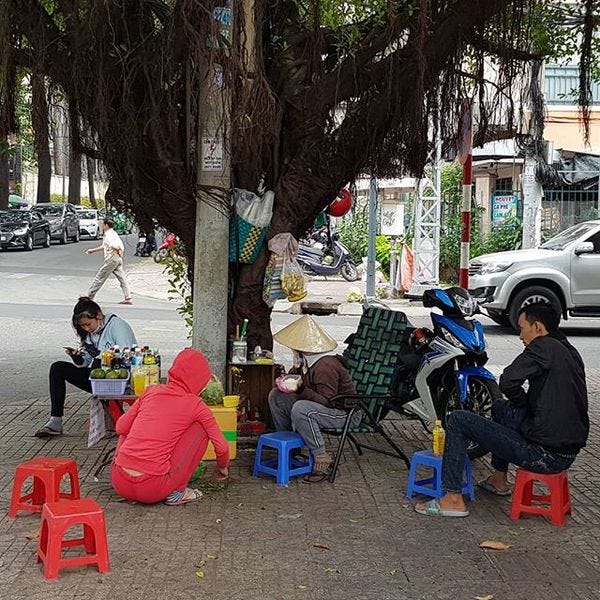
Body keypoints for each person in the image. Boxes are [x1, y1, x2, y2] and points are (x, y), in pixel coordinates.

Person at [415, 302, 589, 517]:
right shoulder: (569, 350)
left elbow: (508, 381)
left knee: (458, 420)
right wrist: (523, 407)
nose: (520, 335)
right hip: (567, 452)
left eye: (522, 328)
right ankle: (499, 480)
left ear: (538, 328)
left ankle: (452, 499)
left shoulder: (542, 346)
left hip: (544, 455)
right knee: (500, 407)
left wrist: (523, 403)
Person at [110, 348, 229, 505]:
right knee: (201, 429)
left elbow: (120, 428)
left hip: (119, 482)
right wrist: (222, 468)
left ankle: (128, 468)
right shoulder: (196, 404)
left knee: (129, 425)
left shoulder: (151, 391)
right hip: (153, 488)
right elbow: (221, 447)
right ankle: (178, 492)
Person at [268, 315, 360, 483]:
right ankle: (290, 446)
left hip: (345, 413)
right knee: (277, 396)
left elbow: (327, 401)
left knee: (302, 409)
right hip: (327, 408)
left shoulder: (325, 366)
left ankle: (321, 457)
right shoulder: (306, 363)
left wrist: (301, 388)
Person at [35, 297, 137, 438]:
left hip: (120, 377)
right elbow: (85, 363)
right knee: (57, 368)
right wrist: (77, 357)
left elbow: (127, 354)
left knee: (98, 367)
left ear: (99, 316)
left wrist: (101, 357)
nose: (87, 329)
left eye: (88, 324)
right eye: (83, 326)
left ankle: (110, 422)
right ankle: (55, 421)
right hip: (98, 376)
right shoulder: (90, 334)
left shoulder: (117, 326)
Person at [85, 217, 133, 304]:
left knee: (100, 276)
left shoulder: (109, 235)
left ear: (106, 225)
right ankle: (128, 297)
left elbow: (112, 245)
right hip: (118, 258)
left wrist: (116, 249)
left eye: (103, 224)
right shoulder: (113, 233)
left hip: (111, 258)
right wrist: (92, 250)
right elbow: (105, 246)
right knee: (122, 278)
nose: (102, 225)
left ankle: (90, 296)